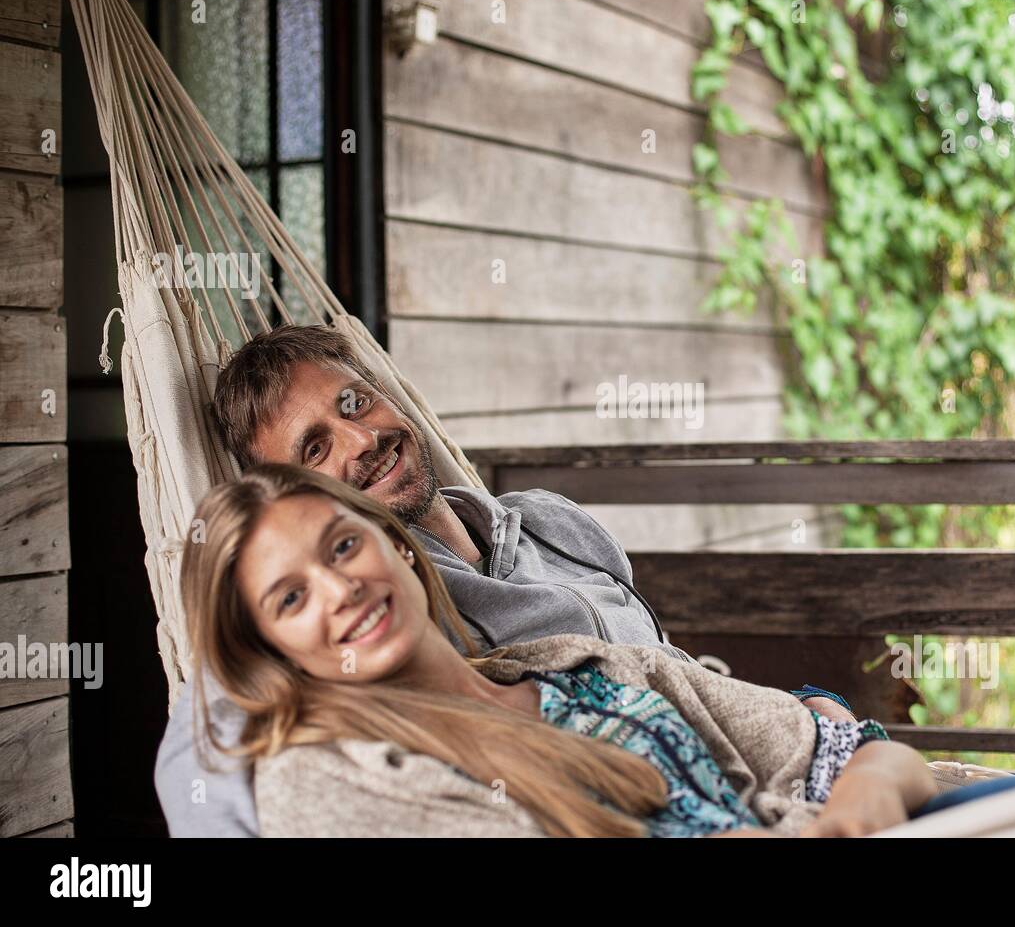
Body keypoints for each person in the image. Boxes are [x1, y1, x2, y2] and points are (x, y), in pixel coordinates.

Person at [155, 324, 856, 836]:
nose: (362, 439)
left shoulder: (549, 520)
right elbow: (210, 732)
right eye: (317, 448)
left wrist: (804, 717)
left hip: (736, 743)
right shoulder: (391, 617)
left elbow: (660, 661)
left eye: (355, 404)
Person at [183, 464, 941, 837]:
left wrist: (861, 797)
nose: (338, 588)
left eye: (344, 545)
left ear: (401, 548)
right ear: (271, 651)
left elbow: (865, 749)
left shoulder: (580, 664)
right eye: (291, 597)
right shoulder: (319, 777)